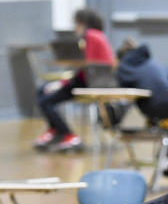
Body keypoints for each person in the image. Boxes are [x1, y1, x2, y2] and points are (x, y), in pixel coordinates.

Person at [33, 8, 114, 152]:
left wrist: (63, 83)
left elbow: (86, 65)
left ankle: (67, 134)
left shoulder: (90, 35)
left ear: (82, 23)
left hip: (90, 82)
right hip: (92, 79)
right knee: (42, 90)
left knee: (45, 101)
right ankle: (54, 131)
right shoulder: (98, 35)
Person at [115, 38, 168, 132]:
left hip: (154, 107)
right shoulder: (152, 62)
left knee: (151, 101)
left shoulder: (125, 68)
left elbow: (122, 90)